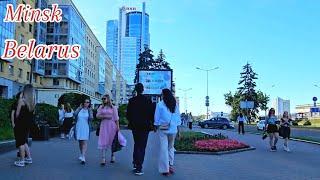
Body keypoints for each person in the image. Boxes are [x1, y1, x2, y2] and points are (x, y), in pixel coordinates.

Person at [126, 83, 153, 176]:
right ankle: (139, 167)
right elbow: (151, 115)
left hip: (135, 126)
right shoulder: (148, 101)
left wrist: (132, 121)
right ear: (143, 89)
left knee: (137, 144)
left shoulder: (132, 101)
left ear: (136, 90)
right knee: (142, 146)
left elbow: (128, 114)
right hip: (145, 127)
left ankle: (135, 162)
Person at [154, 89, 181, 177]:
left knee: (164, 149)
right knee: (171, 148)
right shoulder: (175, 104)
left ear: (164, 95)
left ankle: (165, 169)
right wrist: (178, 130)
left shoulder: (160, 104)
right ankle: (170, 165)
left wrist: (155, 125)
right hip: (173, 129)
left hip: (163, 129)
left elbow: (156, 117)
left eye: (162, 94)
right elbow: (178, 118)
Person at [14, 84, 35, 167]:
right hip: (27, 124)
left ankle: (22, 161)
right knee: (24, 141)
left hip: (20, 124)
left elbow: (17, 114)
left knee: (20, 142)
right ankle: (29, 158)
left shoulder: (21, 101)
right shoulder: (33, 102)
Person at [96, 94, 120, 166]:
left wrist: (118, 127)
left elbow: (116, 118)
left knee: (112, 140)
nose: (103, 100)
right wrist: (105, 116)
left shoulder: (113, 107)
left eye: (104, 98)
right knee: (103, 140)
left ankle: (112, 155)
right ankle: (103, 158)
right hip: (104, 125)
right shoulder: (101, 107)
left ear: (108, 99)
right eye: (102, 99)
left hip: (112, 125)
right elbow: (97, 116)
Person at [74, 99, 93, 164]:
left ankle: (83, 156)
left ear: (89, 103)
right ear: (83, 103)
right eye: (85, 102)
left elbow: (91, 118)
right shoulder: (79, 109)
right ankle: (81, 153)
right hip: (79, 126)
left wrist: (90, 111)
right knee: (80, 141)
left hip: (86, 127)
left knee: (84, 141)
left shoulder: (89, 110)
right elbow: (74, 114)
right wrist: (79, 107)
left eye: (88, 102)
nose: (86, 103)